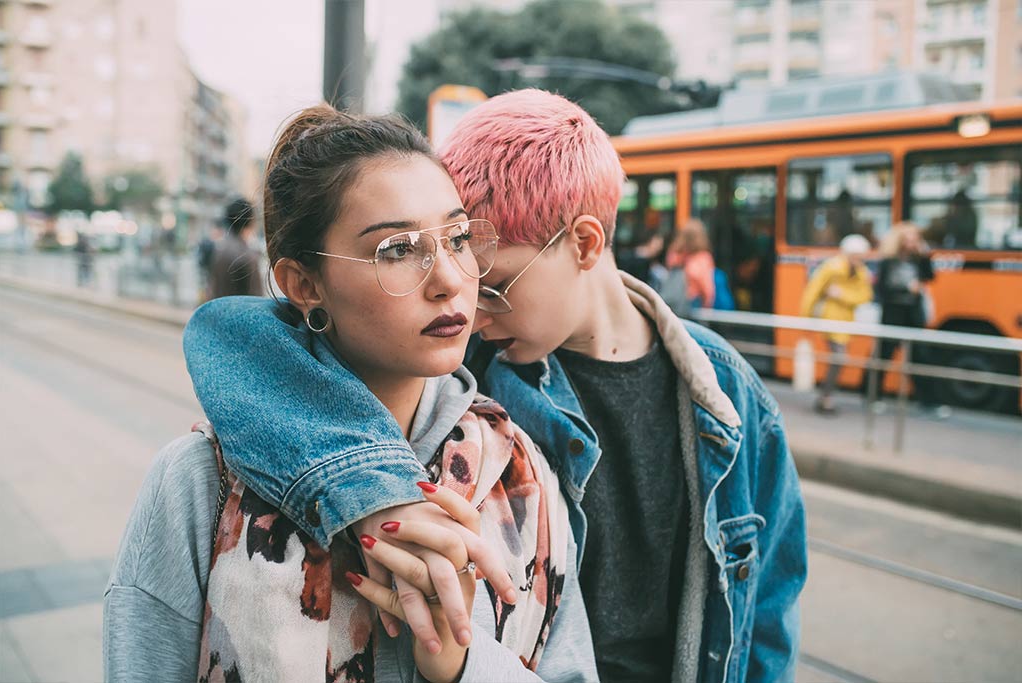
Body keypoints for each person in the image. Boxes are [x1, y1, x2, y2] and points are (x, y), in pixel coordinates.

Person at [183, 90, 807, 682]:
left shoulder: (725, 394)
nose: (467, 304)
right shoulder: (469, 366)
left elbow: (769, 618)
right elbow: (236, 337)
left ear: (585, 243)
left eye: (493, 282)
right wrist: (370, 485)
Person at [104, 105, 596, 683]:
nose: (448, 280)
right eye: (397, 250)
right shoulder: (202, 483)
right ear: (305, 286)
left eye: (458, 238)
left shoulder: (518, 471)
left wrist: (461, 663)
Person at [873, 222, 946, 416]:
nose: (911, 242)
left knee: (920, 357)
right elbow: (880, 289)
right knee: (883, 356)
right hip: (892, 314)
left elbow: (930, 276)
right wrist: (906, 288)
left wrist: (924, 254)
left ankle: (929, 402)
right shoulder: (889, 260)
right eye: (908, 238)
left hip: (913, 315)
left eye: (915, 238)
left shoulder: (917, 259)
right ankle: (872, 396)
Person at [799, 234, 874, 415]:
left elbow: (865, 296)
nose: (859, 259)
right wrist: (805, 318)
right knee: (839, 357)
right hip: (829, 319)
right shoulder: (831, 267)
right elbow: (813, 290)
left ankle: (826, 395)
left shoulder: (862, 272)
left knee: (838, 359)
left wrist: (842, 295)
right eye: (856, 255)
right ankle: (826, 397)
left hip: (847, 321)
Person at [206, 197, 264, 299]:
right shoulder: (247, 256)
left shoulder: (219, 249)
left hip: (218, 311)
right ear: (250, 222)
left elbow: (212, 289)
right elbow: (257, 301)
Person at [665, 218, 716, 311]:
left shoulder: (675, 255)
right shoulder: (703, 258)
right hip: (693, 303)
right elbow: (706, 287)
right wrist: (707, 304)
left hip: (673, 303)